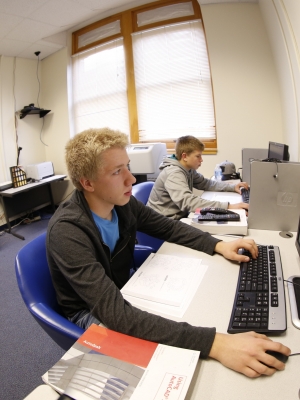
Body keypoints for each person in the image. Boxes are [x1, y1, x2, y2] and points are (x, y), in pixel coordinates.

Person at [47, 127, 290, 379]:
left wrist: (217, 244)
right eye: (117, 172)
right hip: (90, 310)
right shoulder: (68, 231)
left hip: (121, 289)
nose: (131, 179)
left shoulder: (122, 203)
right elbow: (116, 315)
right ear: (87, 183)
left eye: (127, 167)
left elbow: (167, 227)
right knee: (187, 367)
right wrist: (215, 343)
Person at [147, 135, 249, 219]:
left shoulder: (188, 169)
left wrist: (232, 187)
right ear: (184, 156)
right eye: (198, 156)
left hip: (177, 217)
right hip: (162, 222)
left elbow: (205, 183)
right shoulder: (173, 173)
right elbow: (188, 202)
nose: (201, 160)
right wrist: (229, 207)